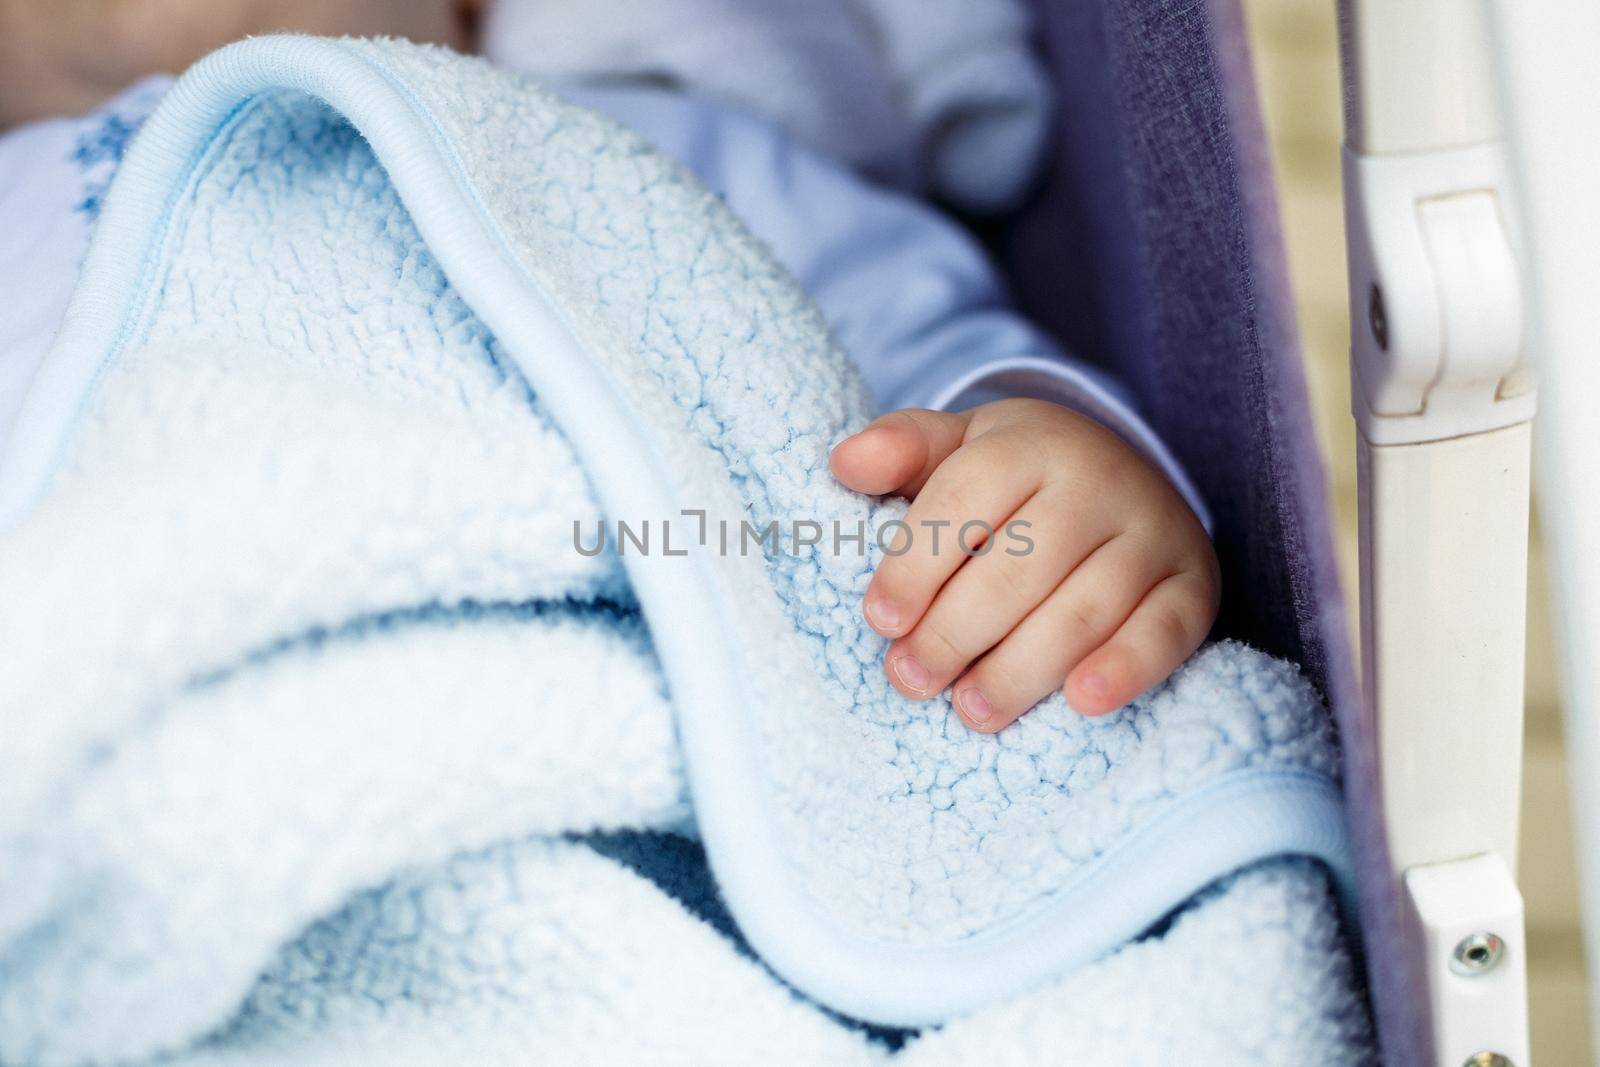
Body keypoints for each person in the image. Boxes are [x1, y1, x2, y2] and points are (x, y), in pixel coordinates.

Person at [0, 0, 1219, 732]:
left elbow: (926, 345)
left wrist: (1036, 457)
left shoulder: (635, 144)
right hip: (107, 717)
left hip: (611, 720)